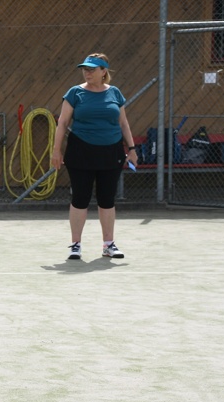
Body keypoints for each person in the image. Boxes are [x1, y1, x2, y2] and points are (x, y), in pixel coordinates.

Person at [50, 53, 137, 260]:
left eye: (92, 69)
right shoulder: (75, 93)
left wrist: (132, 149)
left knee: (107, 199)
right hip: (81, 151)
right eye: (85, 69)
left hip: (111, 151)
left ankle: (108, 245)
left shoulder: (115, 93)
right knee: (80, 198)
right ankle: (75, 245)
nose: (87, 72)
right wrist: (56, 150)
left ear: (103, 71)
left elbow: (123, 123)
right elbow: (62, 123)